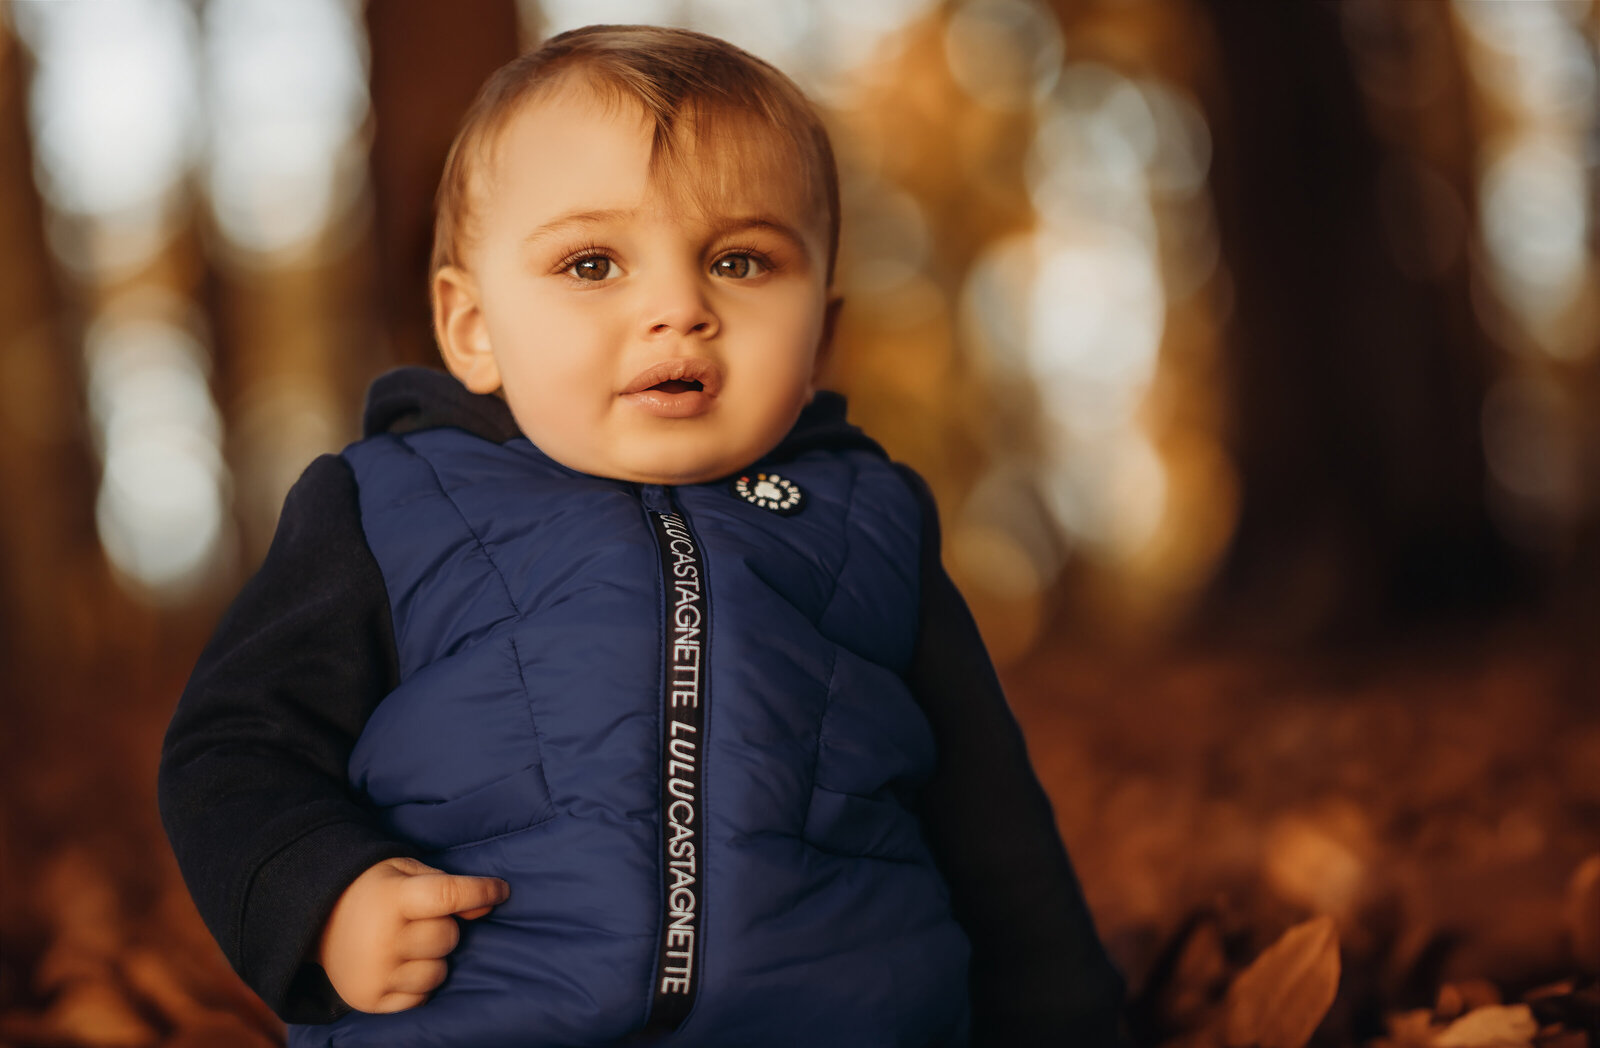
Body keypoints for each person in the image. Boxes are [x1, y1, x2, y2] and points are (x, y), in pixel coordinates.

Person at [159, 24, 1124, 1048]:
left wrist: (1074, 1021)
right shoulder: (386, 510)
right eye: (591, 262)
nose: (678, 307)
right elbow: (233, 749)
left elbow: (993, 826)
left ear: (820, 338)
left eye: (741, 260)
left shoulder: (870, 522)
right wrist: (324, 895)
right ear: (472, 328)